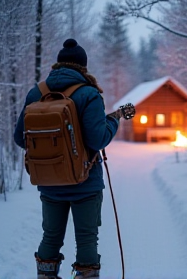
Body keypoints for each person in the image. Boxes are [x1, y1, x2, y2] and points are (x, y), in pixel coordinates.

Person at [14, 38, 122, 279]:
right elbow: (97, 140)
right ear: (83, 66)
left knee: (50, 238)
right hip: (85, 183)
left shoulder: (37, 92)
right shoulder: (89, 94)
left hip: (50, 184)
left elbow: (20, 138)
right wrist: (113, 120)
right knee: (86, 240)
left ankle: (45, 275)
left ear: (58, 65)